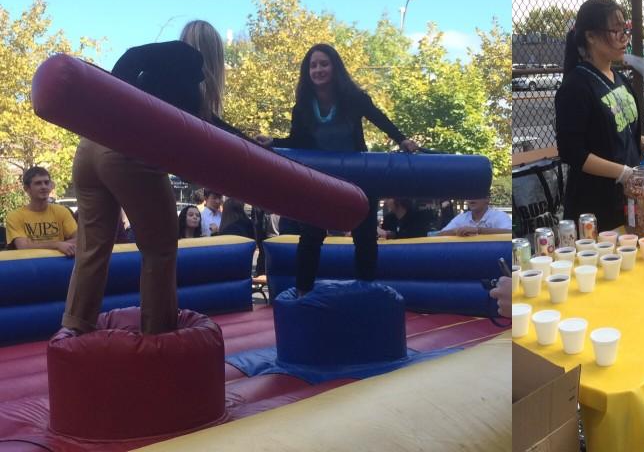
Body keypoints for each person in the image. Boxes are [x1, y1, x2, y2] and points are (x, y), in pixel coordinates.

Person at [61, 20, 246, 336]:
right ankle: (158, 334)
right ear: (211, 51)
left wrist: (250, 140)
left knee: (92, 248)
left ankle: (74, 327)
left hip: (90, 147)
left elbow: (212, 124)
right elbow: (133, 56)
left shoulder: (176, 79)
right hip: (127, 151)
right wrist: (116, 97)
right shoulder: (187, 57)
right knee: (160, 250)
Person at [270, 44, 419, 295]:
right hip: (320, 179)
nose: (318, 69)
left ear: (335, 67)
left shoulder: (353, 98)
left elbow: (379, 119)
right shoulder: (303, 106)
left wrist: (402, 139)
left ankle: (366, 292)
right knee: (311, 235)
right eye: (313, 65)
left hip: (358, 179)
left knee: (364, 237)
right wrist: (272, 142)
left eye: (324, 64)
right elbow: (296, 141)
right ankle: (303, 293)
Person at [555, 0, 644, 231]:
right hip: (594, 209)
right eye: (615, 30)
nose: (624, 38)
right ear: (590, 36)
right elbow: (572, 152)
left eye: (625, 30)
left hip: (624, 199)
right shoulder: (577, 86)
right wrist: (623, 173)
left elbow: (618, 132)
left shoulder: (618, 79)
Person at [4, 165, 77, 255]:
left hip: (58, 264)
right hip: (30, 265)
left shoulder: (62, 211)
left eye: (46, 182)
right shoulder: (15, 216)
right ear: (27, 189)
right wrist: (57, 245)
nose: (44, 187)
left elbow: (80, 239)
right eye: (38, 183)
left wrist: (61, 245)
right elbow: (23, 246)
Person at [439, 197, 512, 236]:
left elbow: (510, 233)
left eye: (476, 195)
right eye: (469, 195)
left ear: (487, 199)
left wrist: (478, 230)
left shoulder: (499, 216)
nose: (471, 199)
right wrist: (455, 231)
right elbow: (440, 234)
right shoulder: (461, 217)